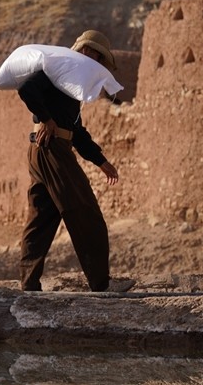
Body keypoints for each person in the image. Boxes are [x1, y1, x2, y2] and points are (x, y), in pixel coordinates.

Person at [16, 30, 133, 293]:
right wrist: (45, 118)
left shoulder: (72, 82)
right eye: (88, 50)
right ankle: (101, 285)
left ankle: (29, 285)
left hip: (46, 148)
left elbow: (76, 130)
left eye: (96, 55)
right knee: (86, 212)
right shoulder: (59, 66)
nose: (91, 56)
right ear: (79, 49)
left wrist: (100, 160)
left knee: (42, 219)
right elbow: (27, 88)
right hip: (51, 148)